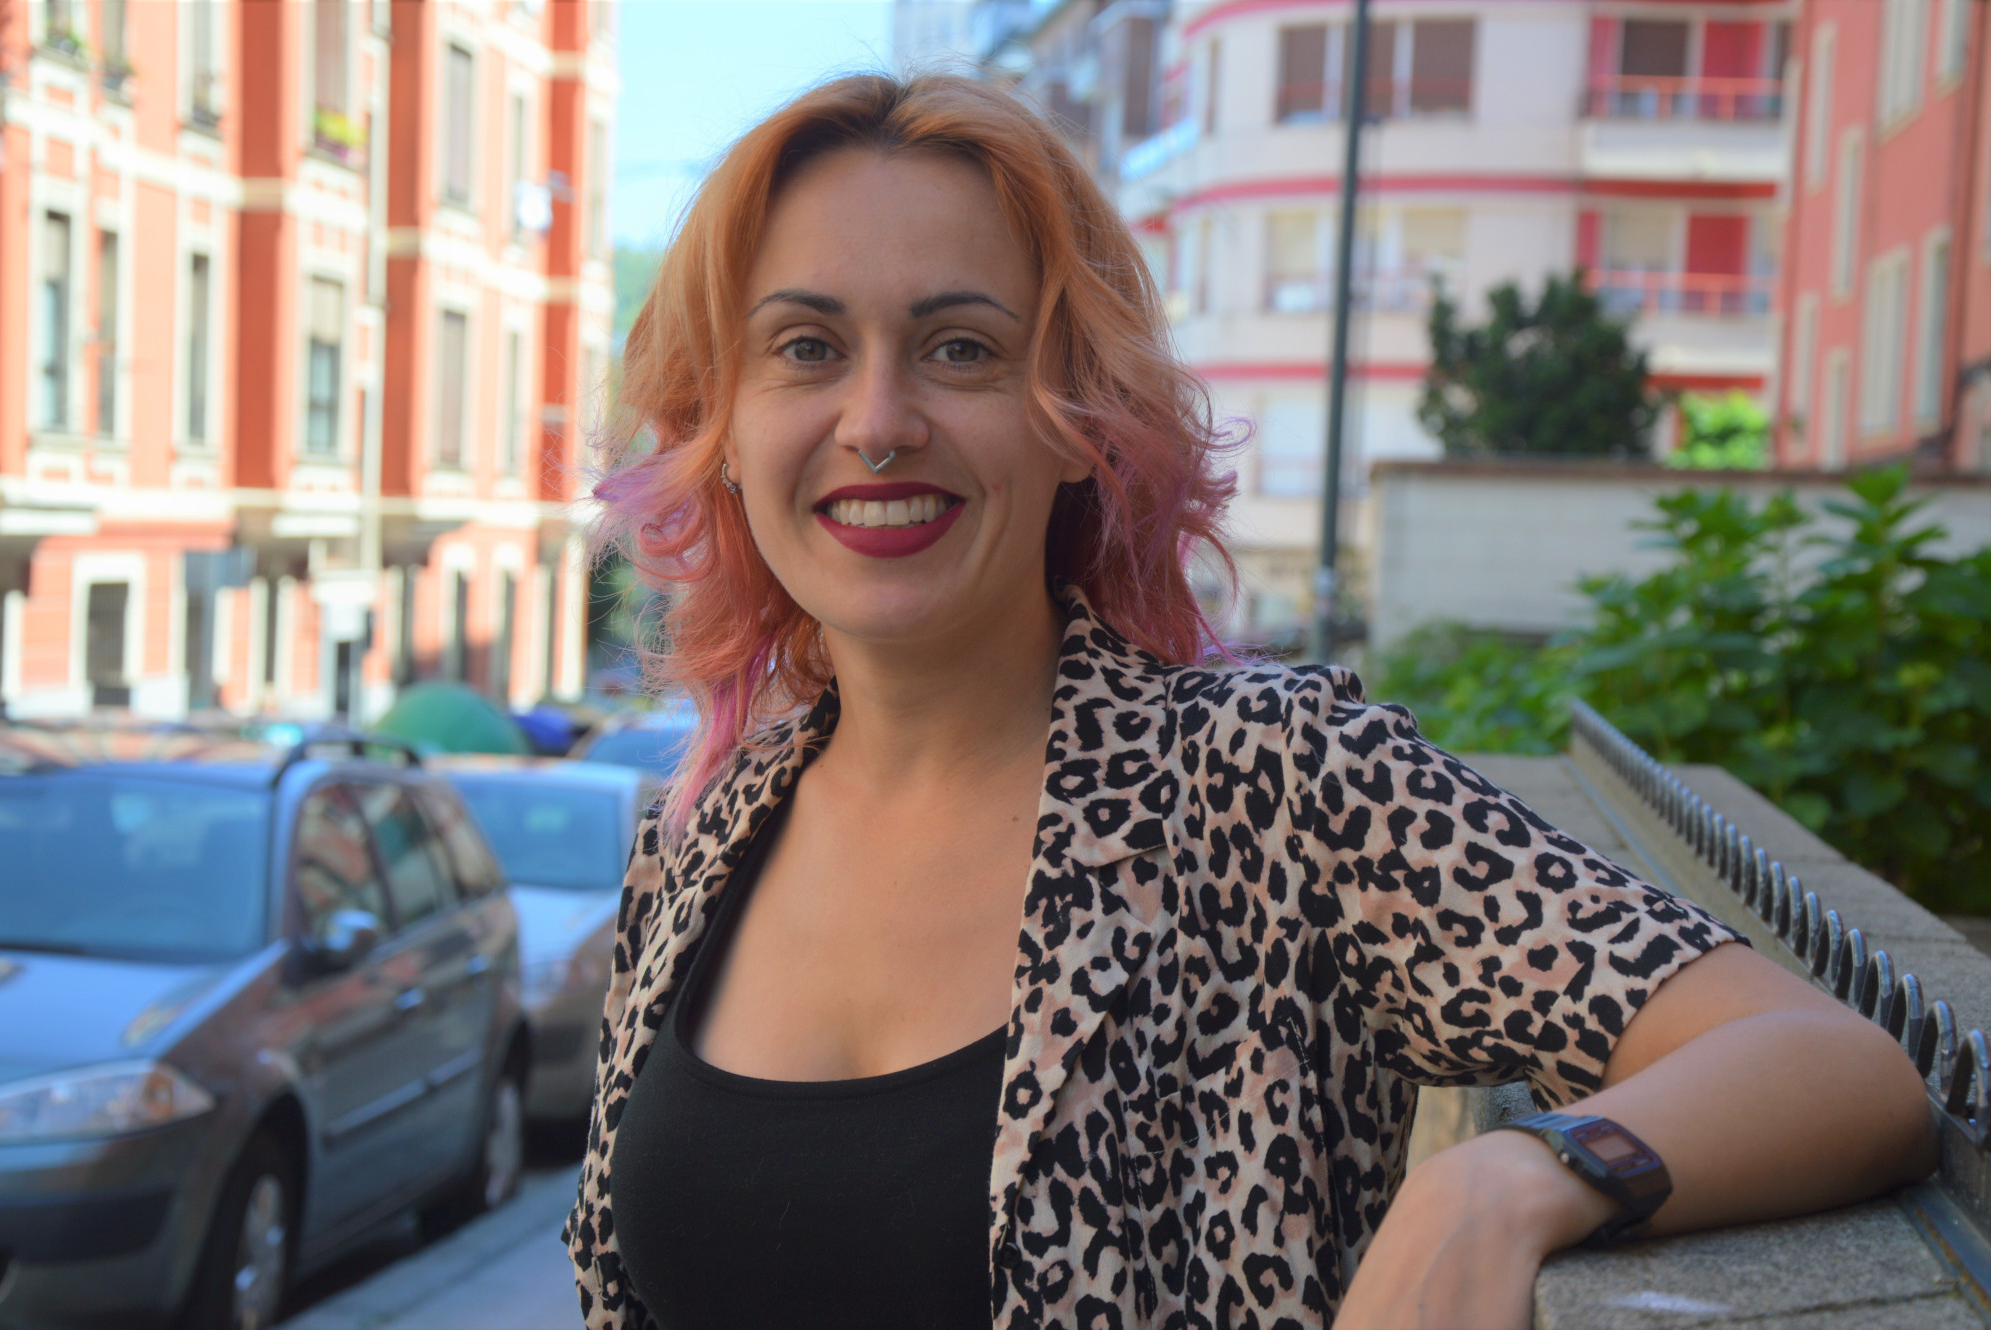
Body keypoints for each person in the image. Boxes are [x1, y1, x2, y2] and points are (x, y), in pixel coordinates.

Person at [565, 74, 1935, 1330]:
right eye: (805, 347)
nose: (876, 420)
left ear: (1077, 418)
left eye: (962, 349)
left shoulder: (1269, 786)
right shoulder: (699, 844)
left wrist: (1514, 1178)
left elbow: (1836, 1063)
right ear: (724, 428)